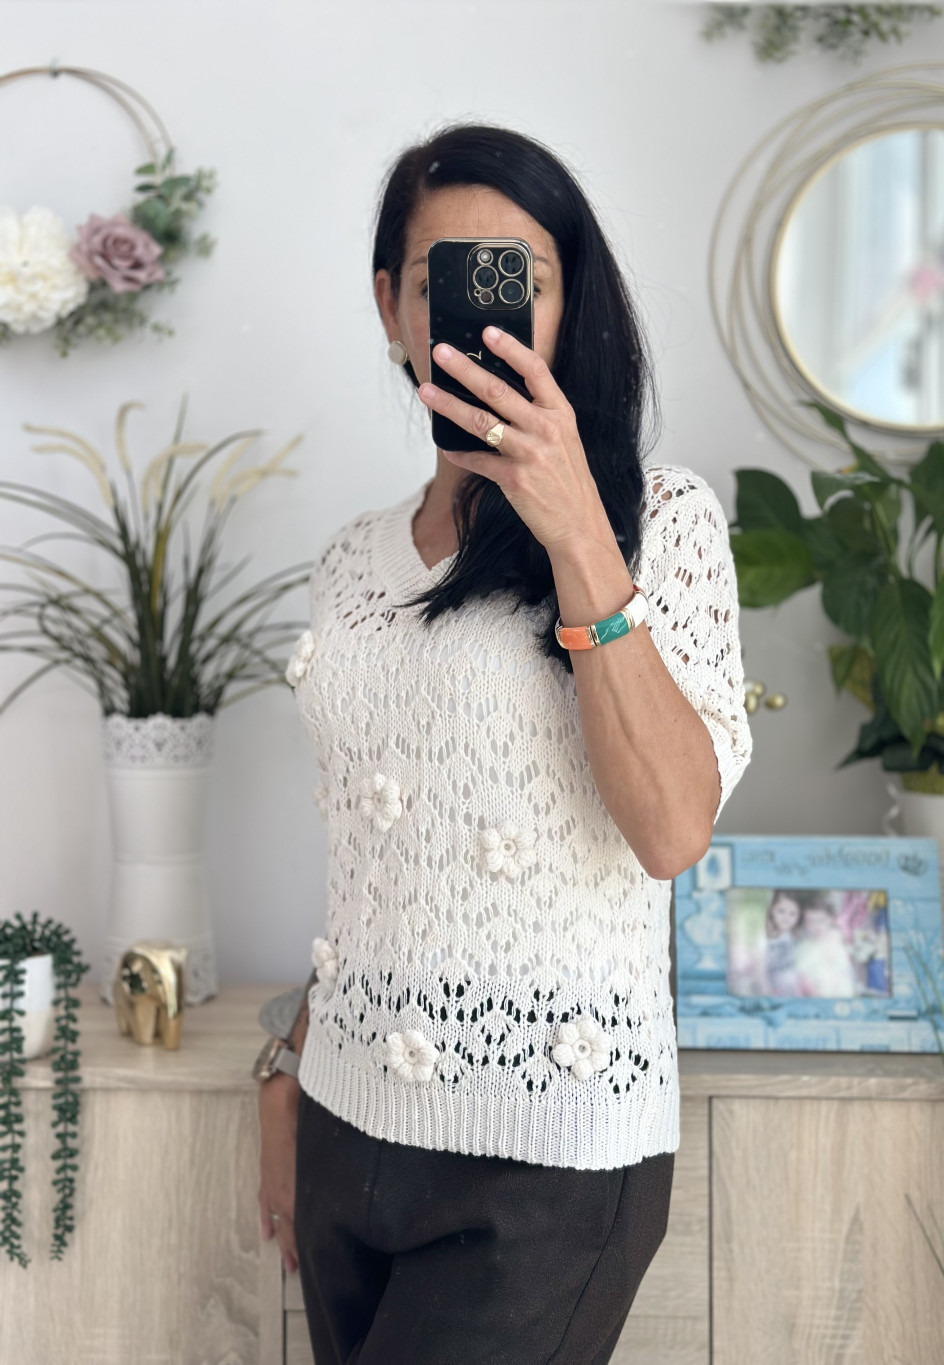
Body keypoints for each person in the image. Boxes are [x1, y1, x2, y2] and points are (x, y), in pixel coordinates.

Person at [257, 122, 753, 1364]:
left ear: (566, 302)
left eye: (518, 274)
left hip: (545, 1156)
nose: (483, 308)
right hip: (343, 1124)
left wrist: (577, 527)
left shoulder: (659, 521)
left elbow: (670, 830)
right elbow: (379, 857)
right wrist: (287, 1062)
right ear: (392, 304)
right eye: (446, 278)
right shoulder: (351, 562)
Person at [795, 893, 857, 999]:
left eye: (821, 921)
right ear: (804, 923)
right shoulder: (804, 948)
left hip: (843, 993)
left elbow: (846, 969)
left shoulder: (837, 937)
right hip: (821, 996)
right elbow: (804, 979)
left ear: (831, 920)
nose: (816, 926)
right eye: (811, 921)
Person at [762, 889, 802, 997]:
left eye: (792, 914)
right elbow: (761, 971)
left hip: (795, 992)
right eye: (781, 911)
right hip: (773, 992)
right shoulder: (766, 939)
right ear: (772, 910)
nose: (786, 917)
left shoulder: (797, 938)